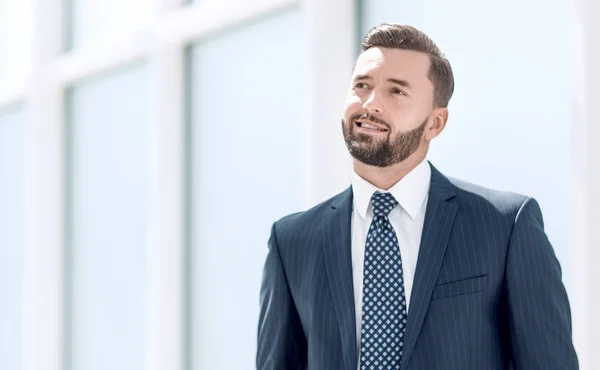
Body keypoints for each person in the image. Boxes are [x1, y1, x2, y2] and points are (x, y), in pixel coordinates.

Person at [256, 23, 578, 370]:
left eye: (397, 91)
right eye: (362, 85)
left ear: (435, 124)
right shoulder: (292, 241)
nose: (370, 103)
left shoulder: (505, 226)